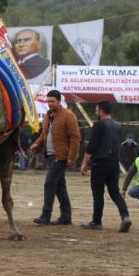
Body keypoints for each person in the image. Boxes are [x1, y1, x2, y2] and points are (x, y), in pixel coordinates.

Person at [29, 89, 81, 226]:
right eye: (48, 101)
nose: (50, 103)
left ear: (59, 101)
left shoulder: (68, 116)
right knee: (59, 187)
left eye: (52, 101)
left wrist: (71, 157)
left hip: (61, 157)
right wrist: (37, 143)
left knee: (49, 183)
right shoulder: (47, 116)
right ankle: (66, 216)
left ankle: (45, 216)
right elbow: (44, 135)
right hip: (50, 156)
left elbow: (75, 137)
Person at [79, 101, 132, 232]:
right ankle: (125, 216)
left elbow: (92, 147)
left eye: (97, 110)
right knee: (115, 192)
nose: (96, 112)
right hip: (114, 163)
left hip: (100, 163)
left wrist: (84, 163)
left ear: (102, 111)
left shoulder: (99, 125)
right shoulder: (117, 125)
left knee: (98, 194)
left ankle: (97, 221)